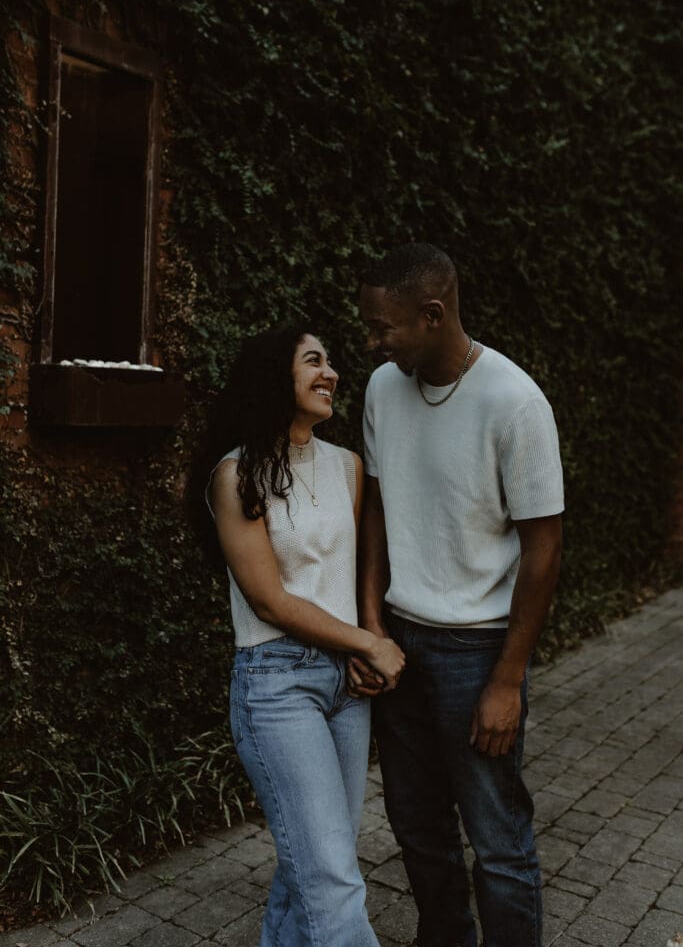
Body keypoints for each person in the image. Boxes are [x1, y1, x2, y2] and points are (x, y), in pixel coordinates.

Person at [349, 244, 564, 947]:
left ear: (432, 314)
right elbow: (377, 508)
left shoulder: (513, 402)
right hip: (400, 645)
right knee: (415, 827)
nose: (373, 341)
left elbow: (542, 549)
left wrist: (506, 678)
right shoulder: (383, 387)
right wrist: (371, 622)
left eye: (383, 327)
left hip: (476, 651)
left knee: (496, 837)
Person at [205, 325, 405, 947]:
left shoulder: (348, 467)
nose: (331, 373)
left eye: (331, 362)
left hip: (346, 685)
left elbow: (359, 569)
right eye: (313, 361)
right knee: (332, 878)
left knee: (313, 862)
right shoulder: (235, 476)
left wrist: (364, 638)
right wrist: (367, 643)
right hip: (277, 683)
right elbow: (269, 599)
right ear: (276, 376)